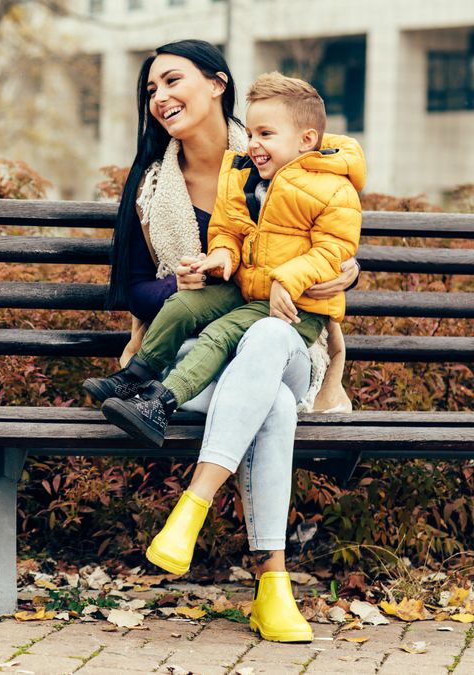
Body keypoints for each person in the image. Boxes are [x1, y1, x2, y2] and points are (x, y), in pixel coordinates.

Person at [97, 40, 359, 643]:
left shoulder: (280, 151)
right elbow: (133, 290)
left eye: (172, 81)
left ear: (218, 84)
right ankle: (273, 587)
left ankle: (192, 508)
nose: (160, 98)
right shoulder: (151, 183)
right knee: (262, 396)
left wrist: (346, 271)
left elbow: (333, 235)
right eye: (151, 90)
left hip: (294, 346)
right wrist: (179, 283)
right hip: (198, 357)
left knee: (267, 338)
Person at [87, 72, 363, 449]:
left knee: (223, 335)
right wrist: (221, 254)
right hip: (246, 288)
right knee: (183, 303)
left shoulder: (332, 188)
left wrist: (294, 277)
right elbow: (227, 228)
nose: (253, 144)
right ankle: (136, 374)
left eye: (265, 135)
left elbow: (333, 249)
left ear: (306, 139)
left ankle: (160, 404)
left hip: (292, 308)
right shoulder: (242, 174)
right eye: (251, 134)